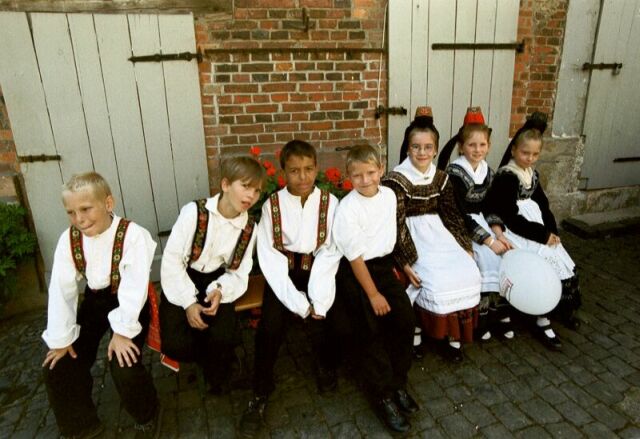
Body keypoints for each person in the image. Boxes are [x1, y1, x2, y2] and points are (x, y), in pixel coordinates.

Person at [42, 172, 160, 438]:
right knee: (59, 365)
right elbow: (61, 289)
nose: (79, 219)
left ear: (108, 203)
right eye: (71, 212)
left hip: (130, 302)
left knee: (123, 362)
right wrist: (61, 338)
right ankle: (82, 425)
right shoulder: (69, 239)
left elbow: (134, 287)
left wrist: (121, 332)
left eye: (86, 209)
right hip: (95, 300)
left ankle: (147, 413)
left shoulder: (133, 235)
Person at [239, 140, 341, 437]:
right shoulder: (272, 205)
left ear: (317, 168)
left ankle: (325, 365)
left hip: (319, 271)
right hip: (283, 275)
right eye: (294, 170)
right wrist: (298, 304)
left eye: (308, 169)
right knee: (269, 329)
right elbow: (269, 257)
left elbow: (331, 251)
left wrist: (318, 300)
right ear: (283, 171)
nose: (303, 177)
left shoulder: (330, 203)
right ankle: (260, 391)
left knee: (328, 321)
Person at [383, 106, 481, 362]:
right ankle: (416, 329)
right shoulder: (396, 180)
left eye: (428, 147)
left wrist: (465, 245)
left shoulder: (441, 178)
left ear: (436, 150)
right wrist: (406, 261)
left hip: (439, 233)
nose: (422, 152)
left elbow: (451, 214)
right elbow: (396, 223)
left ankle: (453, 334)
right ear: (408, 148)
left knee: (467, 269)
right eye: (416, 147)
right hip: (411, 235)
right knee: (432, 277)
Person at [331, 144, 418, 433]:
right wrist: (373, 294)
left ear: (381, 170)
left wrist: (402, 266)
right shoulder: (348, 209)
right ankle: (382, 395)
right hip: (357, 273)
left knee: (404, 320)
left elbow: (389, 237)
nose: (365, 180)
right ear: (348, 177)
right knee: (370, 330)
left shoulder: (389, 196)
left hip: (382, 267)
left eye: (370, 172)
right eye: (357, 175)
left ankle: (398, 383)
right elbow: (355, 257)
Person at [160, 157, 265, 393]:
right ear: (225, 184)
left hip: (217, 281)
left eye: (257, 190)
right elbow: (172, 260)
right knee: (176, 344)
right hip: (183, 276)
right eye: (245, 186)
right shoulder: (194, 213)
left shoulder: (249, 228)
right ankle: (210, 358)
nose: (251, 195)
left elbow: (240, 271)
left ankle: (218, 374)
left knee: (223, 337)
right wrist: (188, 303)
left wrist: (219, 290)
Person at [485, 112, 581, 351]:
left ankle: (551, 310)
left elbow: (544, 205)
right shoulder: (508, 176)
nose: (529, 158)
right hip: (518, 230)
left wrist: (551, 231)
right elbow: (510, 216)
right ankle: (539, 316)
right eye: (525, 153)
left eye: (535, 154)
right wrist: (541, 235)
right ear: (514, 150)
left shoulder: (532, 175)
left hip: (537, 229)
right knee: (538, 267)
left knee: (559, 260)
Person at [438, 107, 515, 342]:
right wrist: (488, 240)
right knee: (485, 259)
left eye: (482, 145)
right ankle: (480, 319)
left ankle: (498, 310)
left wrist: (499, 234)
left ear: (489, 146)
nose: (477, 150)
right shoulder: (454, 173)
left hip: (482, 220)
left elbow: (491, 205)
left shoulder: (487, 172)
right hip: (460, 224)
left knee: (507, 253)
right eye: (472, 145)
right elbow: (459, 213)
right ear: (461, 147)